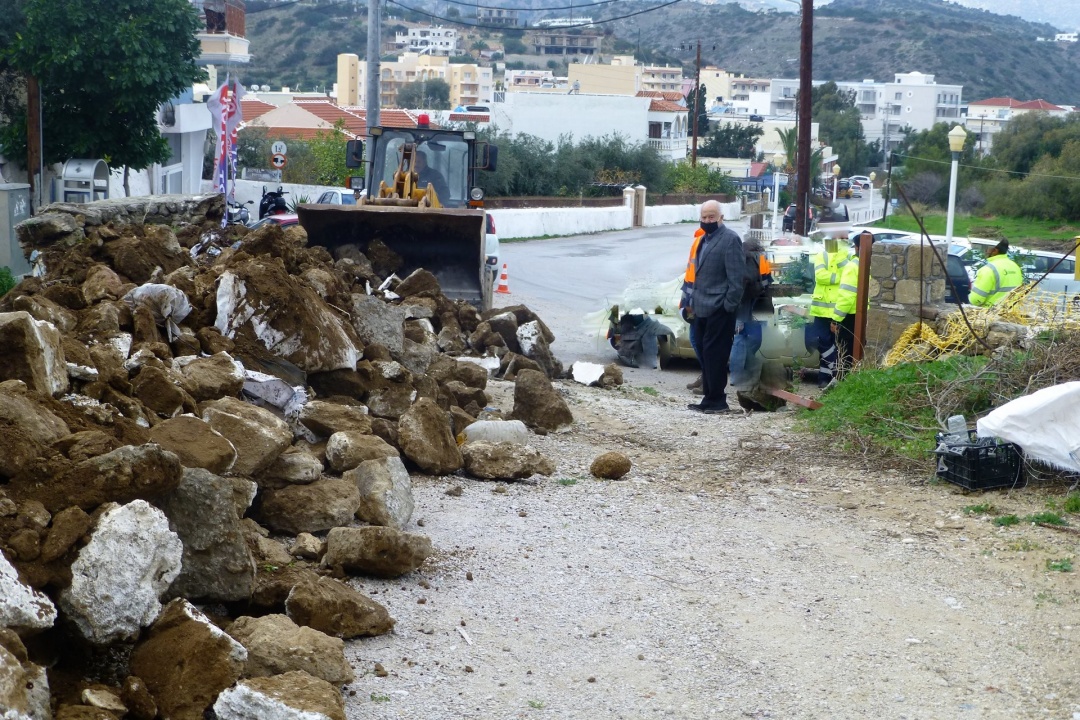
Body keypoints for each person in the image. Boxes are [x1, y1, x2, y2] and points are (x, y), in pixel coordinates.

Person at [685, 200, 746, 414]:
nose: (707, 220)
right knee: (705, 353)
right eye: (704, 217)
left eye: (711, 217)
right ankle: (708, 399)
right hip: (701, 307)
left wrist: (727, 307)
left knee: (716, 355)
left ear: (721, 217)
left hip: (719, 309)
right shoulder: (703, 239)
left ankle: (718, 401)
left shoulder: (730, 240)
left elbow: (737, 279)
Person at [805, 232, 852, 388]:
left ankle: (825, 378)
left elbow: (846, 275)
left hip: (838, 309)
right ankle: (831, 372)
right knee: (822, 342)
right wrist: (839, 276)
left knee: (837, 344)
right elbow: (820, 276)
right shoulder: (822, 254)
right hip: (821, 308)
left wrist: (834, 274)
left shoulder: (848, 254)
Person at [832, 230, 873, 377]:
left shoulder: (852, 266)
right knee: (861, 352)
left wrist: (836, 319)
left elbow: (846, 296)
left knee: (845, 354)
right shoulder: (874, 265)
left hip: (850, 317)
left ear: (856, 248)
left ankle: (842, 384)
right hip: (866, 316)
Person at [970, 239, 1023, 307]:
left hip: (990, 314)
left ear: (995, 250)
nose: (985, 251)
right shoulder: (1015, 266)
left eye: (987, 249)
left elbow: (976, 300)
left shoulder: (988, 270)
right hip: (1011, 312)